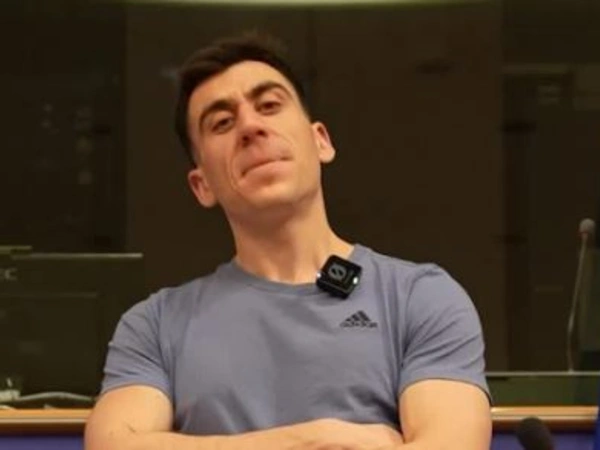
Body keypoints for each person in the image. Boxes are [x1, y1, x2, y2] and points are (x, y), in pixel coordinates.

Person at [85, 32, 491, 450]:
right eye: (222, 123)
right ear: (201, 185)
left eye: (269, 105)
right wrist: (315, 439)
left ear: (321, 141)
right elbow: (113, 445)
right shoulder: (155, 326)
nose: (250, 126)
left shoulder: (420, 298)